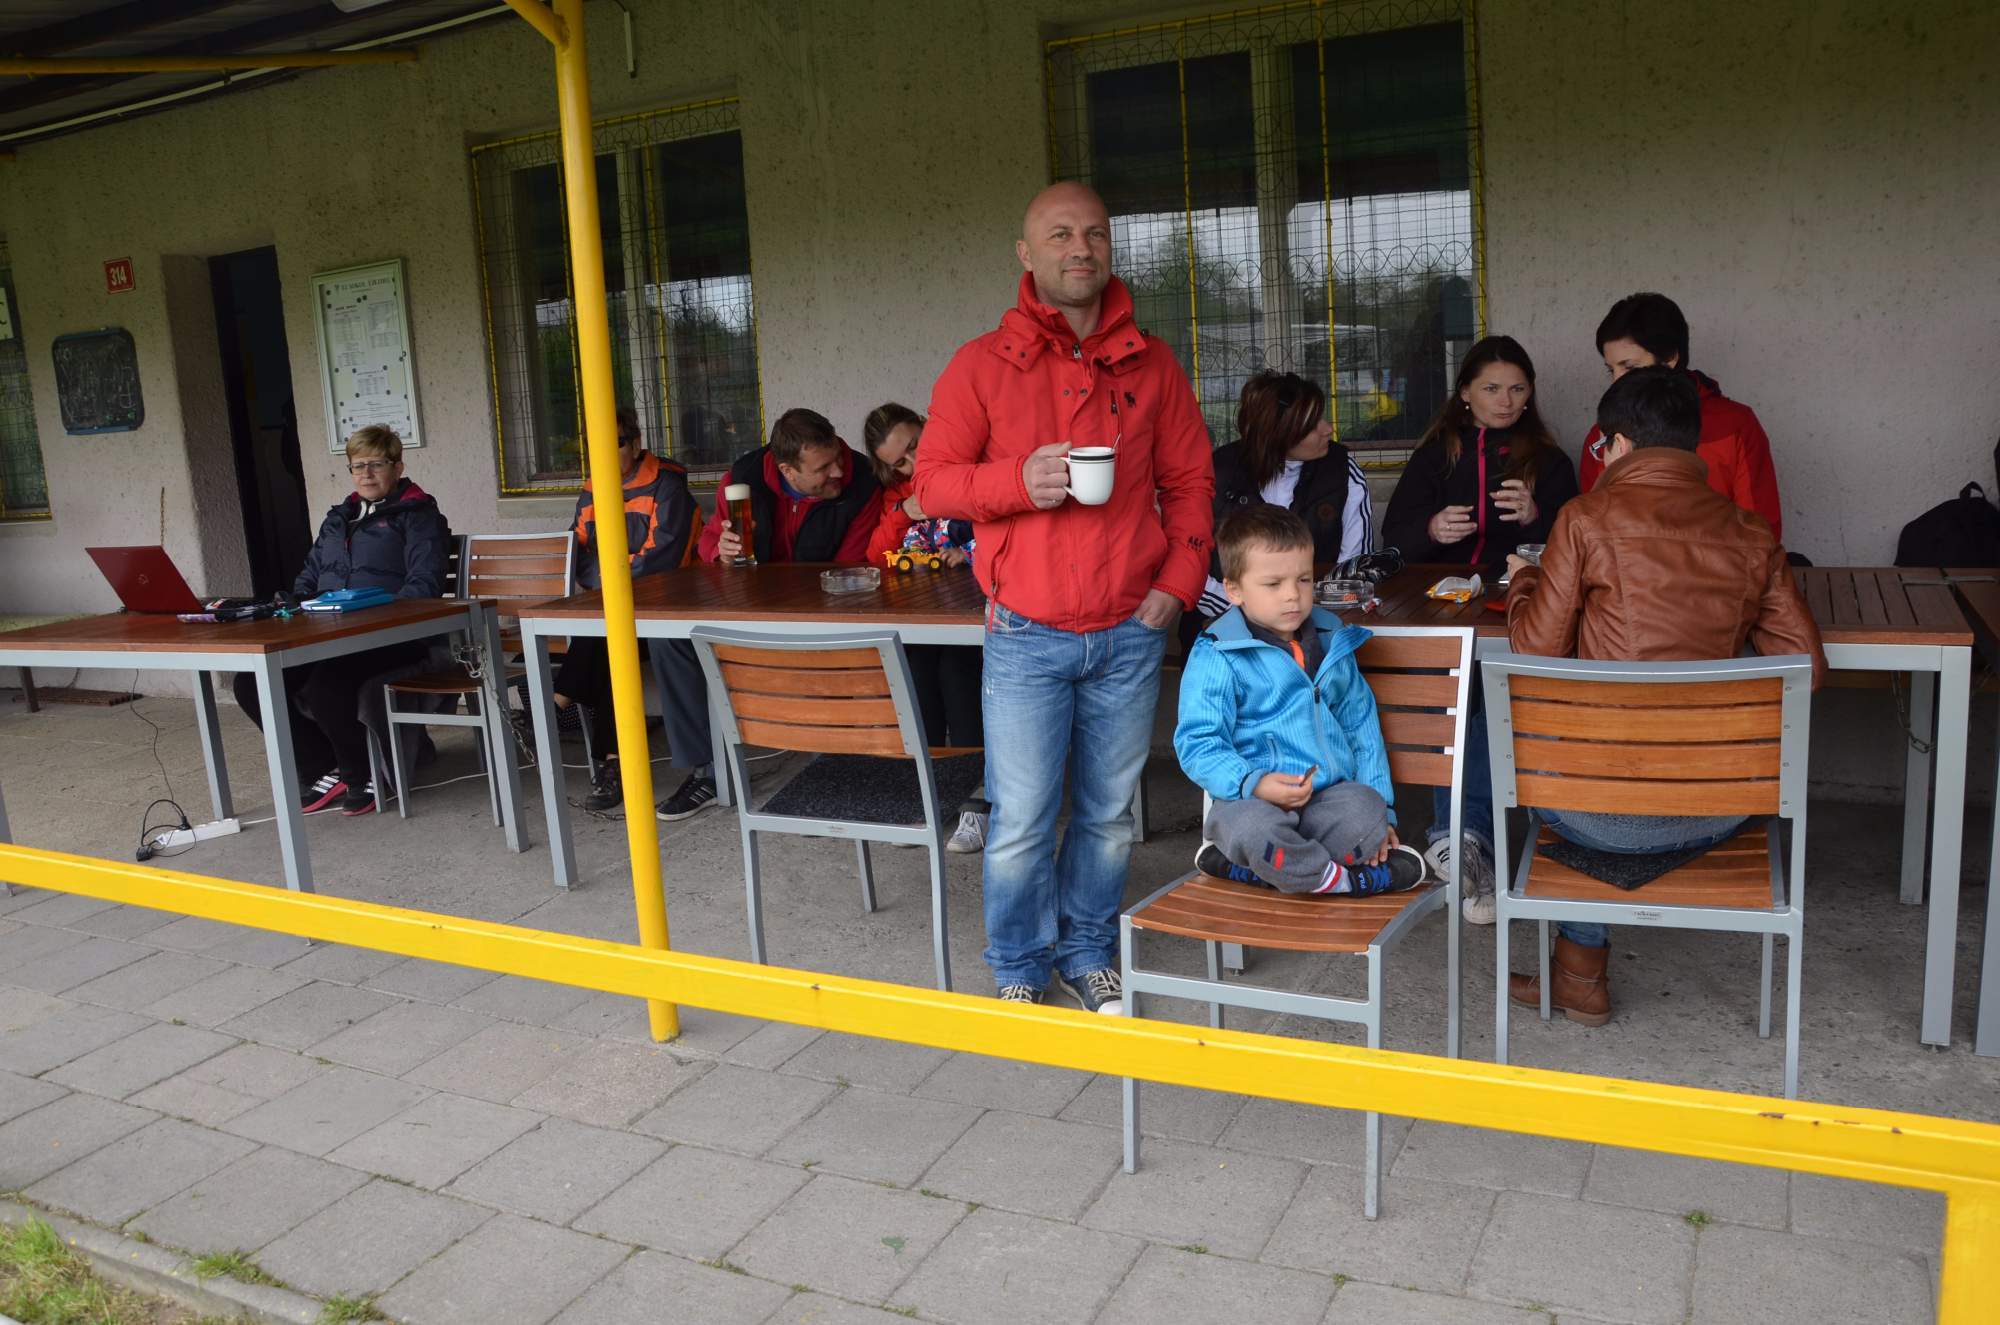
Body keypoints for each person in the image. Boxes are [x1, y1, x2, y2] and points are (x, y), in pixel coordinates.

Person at [913, 180, 1215, 1011]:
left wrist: (1178, 585)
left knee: (1108, 815)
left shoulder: (1153, 362)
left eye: (1095, 233)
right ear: (1026, 252)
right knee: (1020, 816)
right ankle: (1017, 962)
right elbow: (930, 484)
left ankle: (1086, 950)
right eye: (1060, 234)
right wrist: (1018, 480)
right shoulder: (980, 364)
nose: (1080, 247)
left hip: (1130, 628)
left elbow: (1192, 483)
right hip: (1026, 631)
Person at [1503, 365, 1825, 1024]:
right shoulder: (1749, 532)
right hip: (1719, 810)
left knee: (1562, 732)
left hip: (1591, 814)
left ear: (1618, 443)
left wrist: (1527, 582)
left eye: (1602, 447)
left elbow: (1533, 655)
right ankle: (1578, 976)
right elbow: (1806, 669)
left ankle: (1580, 972)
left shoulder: (1584, 519)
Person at [1381, 334, 1578, 922]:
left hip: (1517, 611)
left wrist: (1539, 518)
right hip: (1439, 609)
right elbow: (1395, 537)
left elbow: (1579, 540)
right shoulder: (1437, 454)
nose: (1506, 400)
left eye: (1517, 388)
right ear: (1465, 392)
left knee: (1490, 708)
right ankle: (1465, 844)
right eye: (1492, 388)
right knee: (1452, 707)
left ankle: (1465, 841)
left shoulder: (1549, 460)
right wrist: (1432, 529)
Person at [648, 408, 884, 822]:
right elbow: (711, 540)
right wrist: (719, 550)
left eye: (836, 458)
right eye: (823, 468)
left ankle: (836, 767)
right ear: (787, 470)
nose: (837, 471)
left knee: (845, 639)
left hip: (820, 608)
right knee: (669, 638)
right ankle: (708, 770)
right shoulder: (743, 478)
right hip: (748, 605)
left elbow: (850, 565)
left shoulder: (862, 481)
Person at [1176, 505, 1426, 895]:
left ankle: (1259, 869)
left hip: (1328, 799)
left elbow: (1362, 728)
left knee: (1367, 810)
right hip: (1251, 801)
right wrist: (1253, 782)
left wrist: (1384, 816)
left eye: (1304, 580)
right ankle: (1343, 881)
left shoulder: (1332, 642)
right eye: (1273, 584)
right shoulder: (1219, 654)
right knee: (1252, 829)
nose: (1292, 595)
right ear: (1234, 590)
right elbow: (1198, 743)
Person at [233, 425, 452, 817]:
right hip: (330, 634)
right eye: (357, 466)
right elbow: (309, 577)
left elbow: (424, 584)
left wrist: (373, 615)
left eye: (376, 464)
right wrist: (295, 604)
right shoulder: (338, 519)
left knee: (326, 685)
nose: (366, 474)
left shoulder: (420, 517)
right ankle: (322, 766)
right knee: (251, 682)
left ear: (398, 467)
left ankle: (361, 772)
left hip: (397, 636)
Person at [554, 407, 697, 812]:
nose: (602, 453)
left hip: (668, 612)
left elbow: (664, 559)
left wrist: (610, 576)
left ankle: (557, 703)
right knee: (613, 644)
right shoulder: (592, 490)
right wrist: (611, 579)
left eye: (614, 442)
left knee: (610, 637)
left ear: (635, 445)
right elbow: (576, 555)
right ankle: (613, 760)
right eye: (593, 445)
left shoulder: (667, 485)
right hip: (615, 612)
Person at [862, 403, 989, 853]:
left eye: (916, 445)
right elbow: (875, 556)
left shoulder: (975, 465)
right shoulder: (900, 492)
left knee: (959, 672)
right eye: (901, 462)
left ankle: (978, 801)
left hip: (982, 608)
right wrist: (905, 511)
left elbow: (1008, 525)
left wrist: (969, 554)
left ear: (929, 425)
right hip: (927, 611)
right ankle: (928, 792)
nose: (914, 462)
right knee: (914, 670)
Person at [1188, 370, 1372, 656]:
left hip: (1315, 632)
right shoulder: (1218, 472)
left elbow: (1353, 565)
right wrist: (1249, 616)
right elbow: (1191, 559)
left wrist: (1303, 619)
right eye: (1312, 424)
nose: (1328, 429)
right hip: (1221, 633)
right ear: (1280, 433)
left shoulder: (1341, 468)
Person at [1576, 292, 1784, 540]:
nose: (1617, 380)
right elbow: (1591, 528)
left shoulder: (1734, 424)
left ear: (1670, 358)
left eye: (1629, 367)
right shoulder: (1603, 435)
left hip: (1718, 564)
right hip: (1625, 564)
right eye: (1611, 369)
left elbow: (1760, 532)